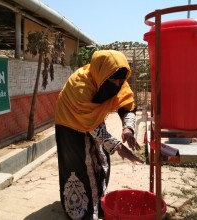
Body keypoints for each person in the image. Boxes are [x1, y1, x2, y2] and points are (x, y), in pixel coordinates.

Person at [55, 50, 143, 219]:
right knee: (79, 165)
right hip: (69, 124)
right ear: (102, 76)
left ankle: (100, 203)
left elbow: (127, 105)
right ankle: (80, 211)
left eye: (121, 80)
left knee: (101, 162)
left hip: (93, 119)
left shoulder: (117, 79)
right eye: (114, 80)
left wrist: (128, 129)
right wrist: (118, 147)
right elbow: (90, 126)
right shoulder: (79, 85)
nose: (118, 84)